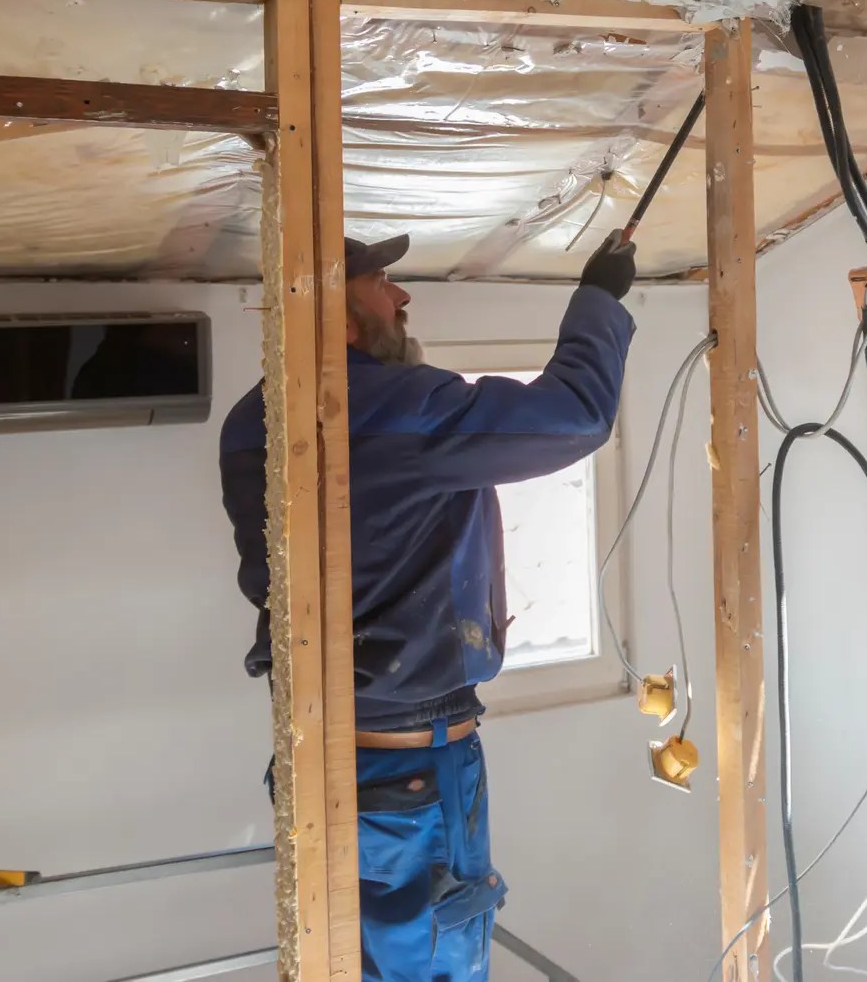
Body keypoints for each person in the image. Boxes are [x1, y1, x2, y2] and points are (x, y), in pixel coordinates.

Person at [218, 230, 638, 982]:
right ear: (343, 320)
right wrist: (600, 297)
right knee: (427, 964)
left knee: (341, 957)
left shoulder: (250, 424)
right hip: (408, 767)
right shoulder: (401, 407)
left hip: (316, 749)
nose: (402, 297)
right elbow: (575, 415)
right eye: (382, 285)